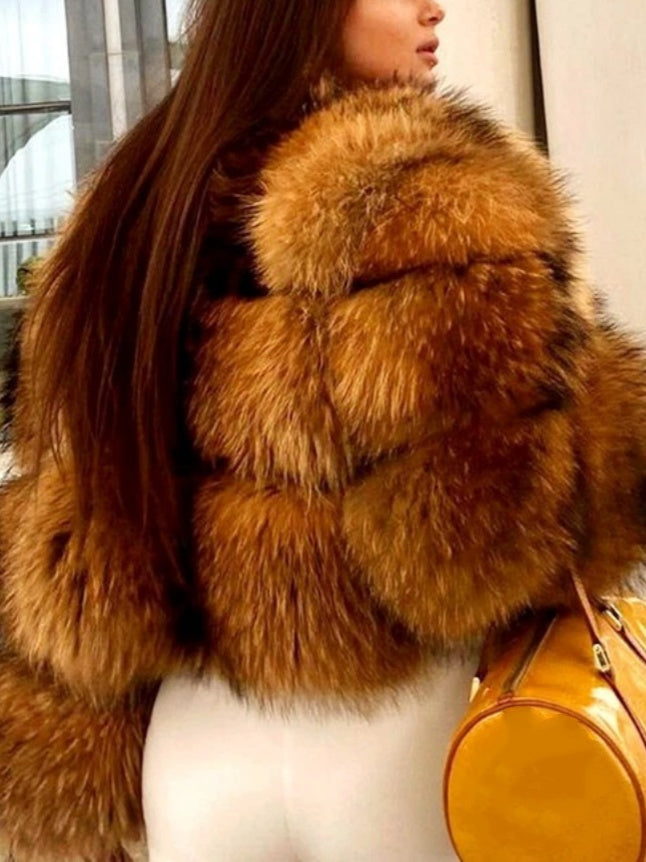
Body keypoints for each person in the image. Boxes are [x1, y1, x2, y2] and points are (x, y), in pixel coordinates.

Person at [2, 0, 646, 859]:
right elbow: (483, 547)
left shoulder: (128, 210)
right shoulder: (427, 194)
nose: (433, 6)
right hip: (398, 742)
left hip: (194, 757)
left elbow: (74, 559)